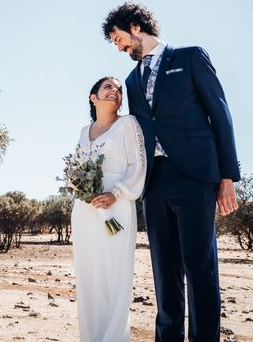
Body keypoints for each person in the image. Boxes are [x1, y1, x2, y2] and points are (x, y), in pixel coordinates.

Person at [102, 2, 240, 342]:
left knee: (199, 269)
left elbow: (220, 115)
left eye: (118, 38)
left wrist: (227, 177)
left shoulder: (190, 57)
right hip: (155, 182)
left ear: (135, 27)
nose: (119, 47)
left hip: (195, 177)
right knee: (164, 274)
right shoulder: (132, 81)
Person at [71, 76, 146, 342]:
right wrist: (80, 188)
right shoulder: (84, 131)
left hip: (118, 208)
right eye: (108, 87)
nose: (115, 91)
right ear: (94, 98)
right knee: (89, 277)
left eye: (119, 89)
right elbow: (76, 169)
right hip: (85, 211)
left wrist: (115, 195)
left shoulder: (128, 124)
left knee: (114, 277)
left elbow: (137, 167)